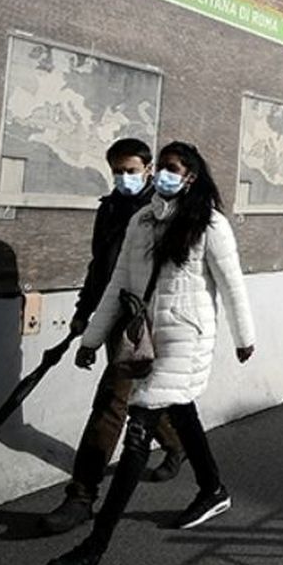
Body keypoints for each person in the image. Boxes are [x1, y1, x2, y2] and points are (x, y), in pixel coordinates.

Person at [46, 141, 255, 565]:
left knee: (138, 432)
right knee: (181, 410)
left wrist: (245, 338)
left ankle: (91, 554)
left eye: (172, 169)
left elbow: (233, 285)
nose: (163, 174)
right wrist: (93, 337)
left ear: (191, 177)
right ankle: (213, 489)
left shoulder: (210, 224)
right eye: (161, 167)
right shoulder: (141, 222)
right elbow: (116, 282)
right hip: (143, 336)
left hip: (186, 338)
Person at [39, 139, 185, 535]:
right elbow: (98, 266)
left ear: (149, 170)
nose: (124, 178)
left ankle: (81, 496)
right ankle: (176, 443)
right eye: (118, 171)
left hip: (145, 320)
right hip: (111, 314)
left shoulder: (167, 211)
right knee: (138, 393)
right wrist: (82, 315)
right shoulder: (109, 209)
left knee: (112, 401)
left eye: (131, 171)